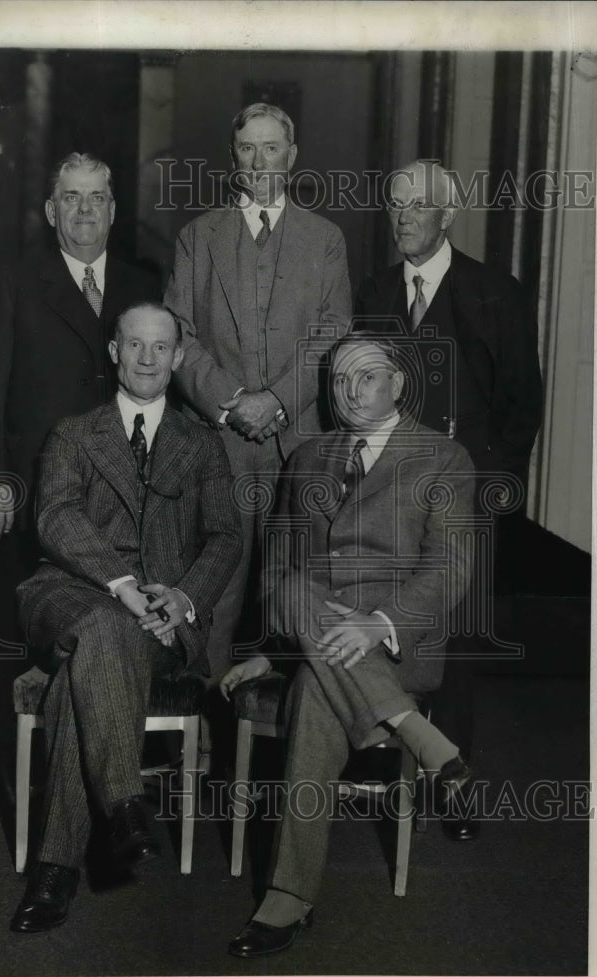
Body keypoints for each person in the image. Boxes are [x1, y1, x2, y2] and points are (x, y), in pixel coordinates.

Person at [223, 336, 474, 958]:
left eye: (365, 377)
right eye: (338, 380)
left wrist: (378, 621)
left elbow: (451, 569)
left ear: (399, 383)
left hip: (394, 641)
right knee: (289, 585)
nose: (349, 390)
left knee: (315, 693)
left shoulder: (443, 457)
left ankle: (288, 897)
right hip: (311, 622)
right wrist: (280, 648)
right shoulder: (308, 456)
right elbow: (279, 566)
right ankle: (424, 740)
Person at [10, 303, 242, 933]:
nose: (146, 358)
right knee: (106, 625)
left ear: (175, 358)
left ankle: (54, 871)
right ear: (114, 352)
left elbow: (224, 537)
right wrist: (122, 584)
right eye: (134, 345)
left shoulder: (202, 444)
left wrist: (183, 599)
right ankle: (122, 802)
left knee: (86, 668)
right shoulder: (73, 434)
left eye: (159, 347)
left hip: (160, 619)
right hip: (68, 593)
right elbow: (56, 516)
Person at [355, 160, 543, 838]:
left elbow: (521, 405)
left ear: (447, 214)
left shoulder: (497, 293)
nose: (403, 217)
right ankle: (381, 760)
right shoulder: (371, 291)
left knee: (457, 643)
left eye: (418, 206)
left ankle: (451, 786)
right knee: (386, 624)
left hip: (464, 499)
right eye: (394, 205)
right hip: (386, 497)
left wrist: (491, 492)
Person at [164, 102, 352, 682]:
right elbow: (179, 334)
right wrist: (232, 402)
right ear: (234, 160)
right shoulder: (199, 236)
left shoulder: (325, 239)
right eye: (248, 148)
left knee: (300, 592)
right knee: (216, 592)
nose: (260, 160)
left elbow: (333, 331)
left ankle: (294, 751)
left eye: (272, 147)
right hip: (219, 443)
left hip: (301, 446)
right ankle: (205, 749)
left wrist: (274, 401)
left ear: (292, 158)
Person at [0, 152, 159, 566]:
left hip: (123, 486)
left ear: (113, 209)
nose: (85, 210)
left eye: (96, 198)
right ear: (53, 212)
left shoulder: (144, 285)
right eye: (72, 198)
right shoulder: (14, 282)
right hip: (37, 485)